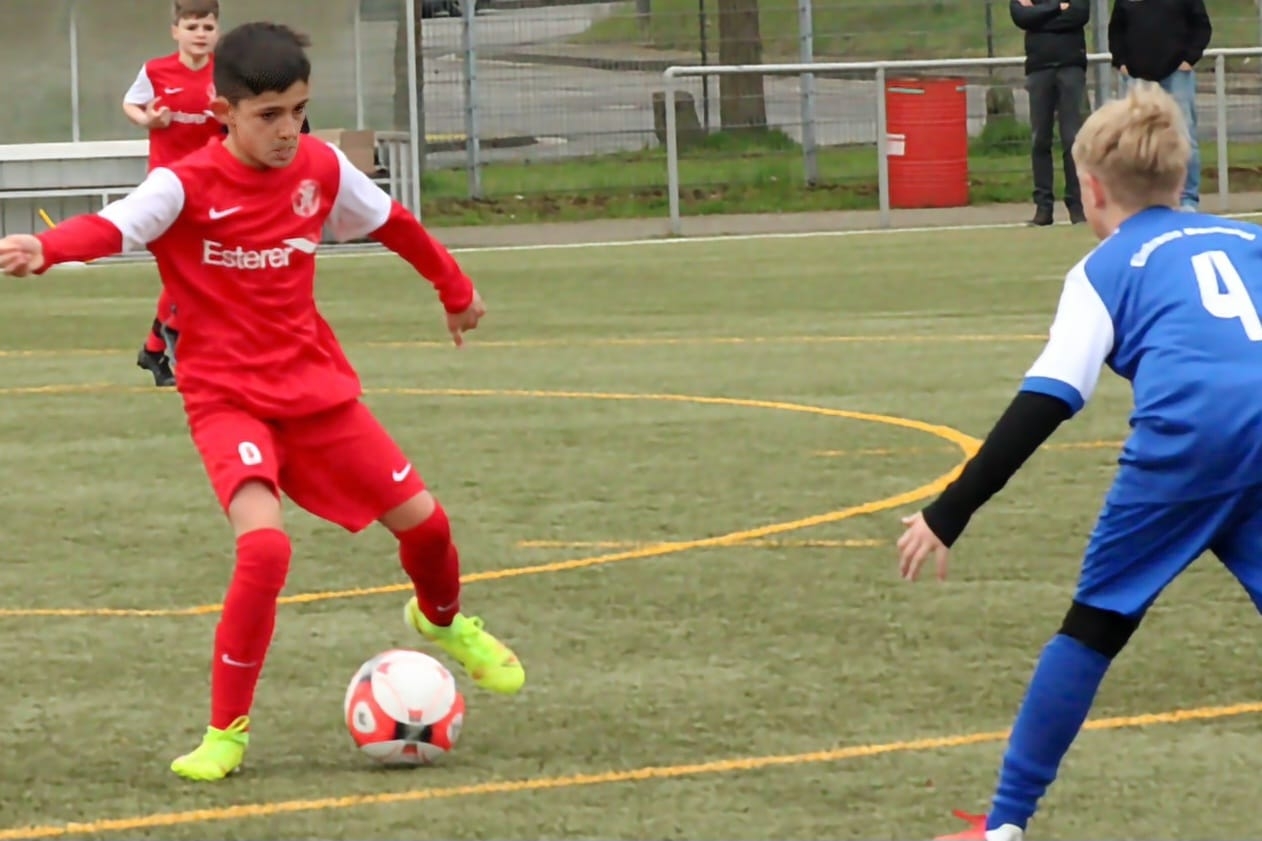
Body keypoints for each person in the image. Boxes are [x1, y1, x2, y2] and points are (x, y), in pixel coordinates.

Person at [1, 21, 525, 782]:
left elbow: (396, 224)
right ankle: (227, 732)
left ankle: (440, 620)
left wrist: (456, 290)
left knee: (430, 526)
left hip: (314, 390)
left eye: (299, 111)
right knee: (265, 548)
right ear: (225, 113)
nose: (288, 130)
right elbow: (113, 227)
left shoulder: (321, 168)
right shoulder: (184, 184)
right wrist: (46, 247)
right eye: (269, 115)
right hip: (225, 398)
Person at [897, 82, 1262, 840]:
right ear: (1178, 178)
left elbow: (1047, 399)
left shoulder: (1103, 268)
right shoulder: (1247, 240)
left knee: (1094, 624)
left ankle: (1004, 825)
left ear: (1091, 190)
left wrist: (948, 512)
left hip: (1189, 441)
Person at [123, 0, 224, 387]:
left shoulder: (227, 73)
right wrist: (148, 120)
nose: (200, 34)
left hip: (213, 184)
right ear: (176, 31)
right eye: (193, 27)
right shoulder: (155, 71)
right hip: (167, 187)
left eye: (208, 27)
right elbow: (131, 103)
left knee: (202, 268)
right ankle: (170, 347)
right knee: (191, 268)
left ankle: (154, 350)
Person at [1108, 0, 1212, 211]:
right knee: (1136, 139)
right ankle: (1141, 200)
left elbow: (1201, 25)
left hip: (1176, 74)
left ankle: (1187, 199)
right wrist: (1121, 62)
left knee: (1184, 136)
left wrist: (1190, 59)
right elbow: (1116, 29)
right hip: (1137, 76)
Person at [1009, 0, 1090, 227]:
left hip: (1070, 66)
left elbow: (1079, 14)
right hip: (1039, 68)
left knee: (1072, 139)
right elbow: (1021, 17)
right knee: (1040, 139)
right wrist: (1057, 8)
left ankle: (1077, 205)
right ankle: (1043, 207)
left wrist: (1039, 15)